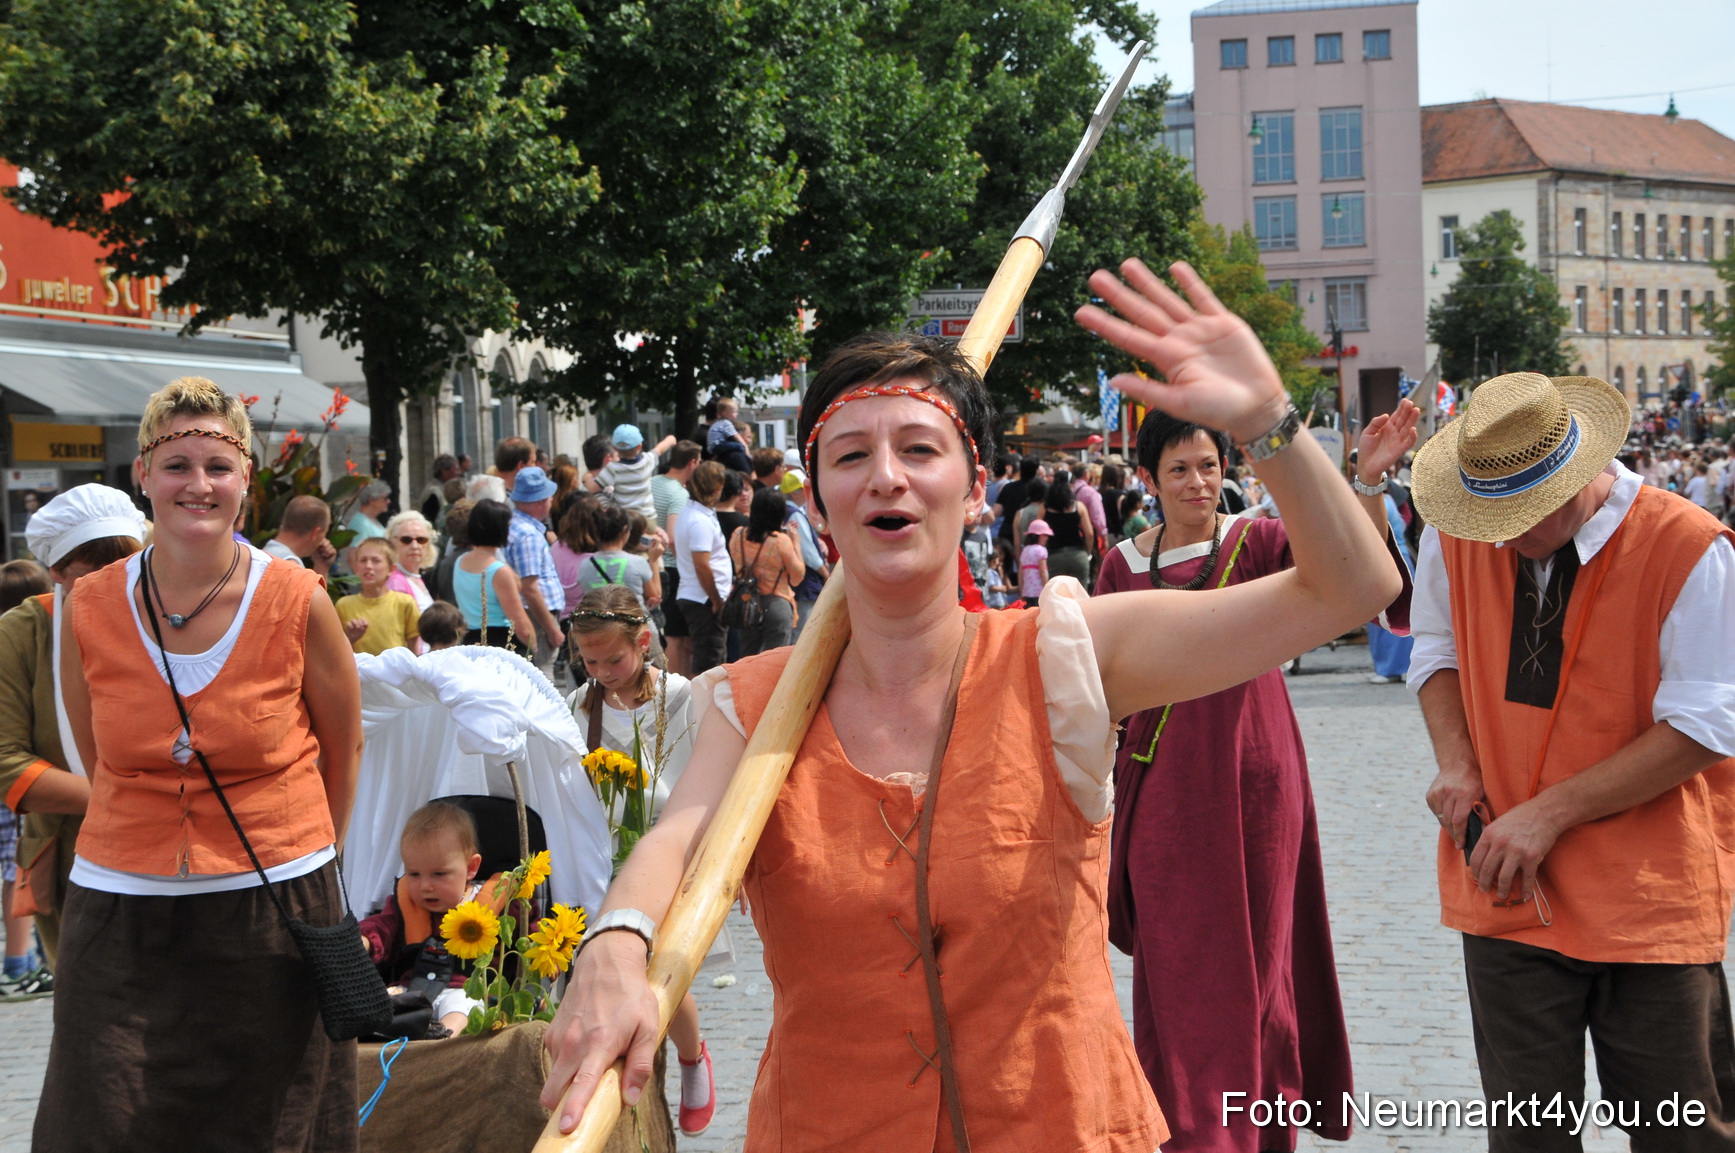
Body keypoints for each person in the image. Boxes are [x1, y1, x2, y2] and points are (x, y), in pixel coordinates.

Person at [539, 256, 1400, 1150]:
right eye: (850, 456)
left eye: (919, 449)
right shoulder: (748, 703)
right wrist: (615, 941)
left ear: (976, 486)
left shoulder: (1065, 653)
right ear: (819, 506)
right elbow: (674, 843)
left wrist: (1268, 420)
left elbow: (1349, 588)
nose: (885, 476)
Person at [1412, 371, 1735, 1151]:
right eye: (1489, 513)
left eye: (1521, 515)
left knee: (1680, 1134)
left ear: (1578, 472)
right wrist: (1456, 761)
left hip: (1648, 898)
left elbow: (1703, 723)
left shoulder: (1687, 545)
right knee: (1527, 1138)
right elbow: (1434, 648)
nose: (1499, 533)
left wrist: (1549, 812)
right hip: (1504, 884)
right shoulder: (1462, 523)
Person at [40, 377, 362, 1150]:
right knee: (104, 1121)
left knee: (272, 1125)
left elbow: (342, 742)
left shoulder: (298, 597)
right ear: (142, 476)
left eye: (219, 465)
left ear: (246, 480)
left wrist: (313, 853)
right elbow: (94, 751)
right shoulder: (86, 605)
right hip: (121, 910)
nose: (199, 484)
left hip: (272, 905)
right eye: (177, 463)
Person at [1094, 400, 1417, 1153]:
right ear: (1150, 478)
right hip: (1160, 789)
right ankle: (1188, 1131)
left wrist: (1365, 486)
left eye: (1208, 465)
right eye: (1179, 469)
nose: (1197, 481)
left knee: (1265, 962)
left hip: (1255, 778)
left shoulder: (1262, 542)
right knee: (1179, 967)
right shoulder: (1119, 565)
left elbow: (1356, 581)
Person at [562, 585, 713, 1135]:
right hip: (607, 859)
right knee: (619, 968)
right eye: (590, 660)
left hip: (671, 850)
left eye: (614, 659)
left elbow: (709, 775)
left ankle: (694, 1059)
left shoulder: (680, 697)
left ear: (644, 642)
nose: (602, 670)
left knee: (662, 970)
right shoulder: (581, 704)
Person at [0, 489, 145, 989]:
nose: (115, 585)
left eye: (128, 567)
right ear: (56, 574)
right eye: (93, 574)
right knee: (97, 1011)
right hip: (71, 857)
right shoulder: (22, 633)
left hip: (176, 848)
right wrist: (124, 799)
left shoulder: (172, 617)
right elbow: (5, 761)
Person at [359, 801, 506, 1036]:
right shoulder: (404, 905)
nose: (425, 886)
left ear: (471, 867)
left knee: (463, 1006)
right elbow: (382, 927)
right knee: (381, 999)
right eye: (414, 874)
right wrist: (364, 940)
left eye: (439, 874)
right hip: (412, 989)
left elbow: (527, 930)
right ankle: (387, 1034)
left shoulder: (492, 904)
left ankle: (443, 1037)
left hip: (463, 988)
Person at [0, 559, 51, 994]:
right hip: (17, 786)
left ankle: (24, 957)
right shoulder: (23, 644)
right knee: (15, 868)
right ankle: (19, 963)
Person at [727, 486, 805, 656]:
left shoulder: (738, 535)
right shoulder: (780, 541)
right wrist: (796, 542)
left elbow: (736, 559)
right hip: (776, 604)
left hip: (746, 604)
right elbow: (797, 576)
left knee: (747, 659)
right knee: (775, 662)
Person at [505, 466, 567, 674]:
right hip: (538, 618)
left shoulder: (514, 525)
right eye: (549, 498)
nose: (551, 501)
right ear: (540, 501)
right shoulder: (528, 535)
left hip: (533, 615)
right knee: (542, 676)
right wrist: (552, 629)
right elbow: (529, 588)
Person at [455, 499, 537, 652]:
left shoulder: (460, 562)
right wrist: (533, 648)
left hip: (470, 641)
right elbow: (521, 626)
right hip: (501, 643)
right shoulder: (499, 571)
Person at [673, 461, 731, 675]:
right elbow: (702, 565)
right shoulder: (698, 520)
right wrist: (716, 599)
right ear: (715, 487)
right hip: (703, 599)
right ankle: (704, 707)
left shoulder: (692, 513)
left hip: (698, 595)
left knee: (706, 657)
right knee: (710, 663)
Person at [654, 442, 702, 676]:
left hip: (654, 564)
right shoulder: (679, 493)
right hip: (673, 569)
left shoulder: (653, 482)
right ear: (692, 462)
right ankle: (676, 688)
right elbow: (673, 537)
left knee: (673, 634)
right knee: (676, 636)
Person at [337, 537, 422, 656]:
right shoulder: (344, 605)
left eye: (376, 561)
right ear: (356, 568)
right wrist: (350, 638)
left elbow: (414, 646)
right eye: (363, 560)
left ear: (391, 569)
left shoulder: (405, 602)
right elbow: (336, 651)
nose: (368, 566)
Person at [780, 469, 829, 642]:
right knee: (802, 635)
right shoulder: (794, 514)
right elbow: (808, 552)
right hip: (807, 582)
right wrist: (825, 574)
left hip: (796, 582)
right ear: (795, 492)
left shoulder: (786, 511)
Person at [599, 425, 677, 519]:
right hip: (648, 518)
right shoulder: (647, 461)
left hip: (626, 519)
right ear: (639, 446)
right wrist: (671, 439)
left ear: (614, 448)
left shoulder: (612, 468)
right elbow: (659, 449)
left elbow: (593, 488)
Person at [384, 511, 436, 649]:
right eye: (406, 540)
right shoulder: (396, 581)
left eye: (421, 540)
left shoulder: (414, 578)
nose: (415, 546)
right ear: (391, 543)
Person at [265, 494, 338, 576]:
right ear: (316, 533)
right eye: (325, 533)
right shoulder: (292, 568)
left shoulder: (262, 554)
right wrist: (322, 568)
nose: (324, 539)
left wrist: (321, 566)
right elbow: (312, 589)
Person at [1042, 470, 1095, 583]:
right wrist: (1088, 553)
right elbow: (1089, 534)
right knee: (1080, 595)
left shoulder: (1045, 508)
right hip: (1077, 554)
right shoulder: (1079, 507)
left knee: (1057, 595)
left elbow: (1039, 531)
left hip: (1053, 554)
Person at [344, 478, 391, 569]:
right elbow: (353, 556)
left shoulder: (372, 521)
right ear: (372, 500)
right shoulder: (361, 523)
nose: (389, 501)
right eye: (385, 498)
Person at [705, 398, 752, 474]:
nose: (736, 414)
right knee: (739, 446)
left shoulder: (717, 423)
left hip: (713, 447)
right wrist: (745, 447)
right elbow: (736, 436)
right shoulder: (726, 423)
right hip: (718, 444)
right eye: (734, 412)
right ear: (725, 413)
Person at [418, 453, 463, 526]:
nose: (459, 473)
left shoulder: (443, 489)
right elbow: (430, 521)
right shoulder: (434, 493)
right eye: (456, 469)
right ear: (444, 472)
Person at [1018, 519, 1052, 607]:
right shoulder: (1041, 550)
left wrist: (1021, 591)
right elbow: (1043, 572)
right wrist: (1047, 589)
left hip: (1026, 592)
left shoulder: (1025, 550)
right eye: (1044, 535)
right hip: (1039, 592)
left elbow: (1020, 573)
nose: (1047, 538)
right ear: (1036, 536)